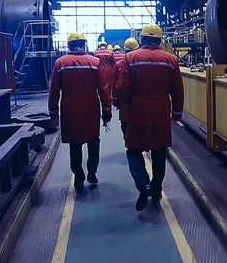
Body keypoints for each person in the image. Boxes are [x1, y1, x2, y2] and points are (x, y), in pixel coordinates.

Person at [116, 24, 184, 211]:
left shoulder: (131, 58)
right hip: (161, 110)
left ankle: (143, 185)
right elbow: (177, 90)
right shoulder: (170, 59)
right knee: (159, 152)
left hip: (139, 110)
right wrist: (177, 113)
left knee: (133, 150)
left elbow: (123, 88)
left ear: (143, 39)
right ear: (160, 40)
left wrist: (127, 109)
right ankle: (156, 188)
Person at [49, 32, 112, 191]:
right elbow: (103, 89)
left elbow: (54, 90)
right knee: (93, 140)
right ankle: (92, 172)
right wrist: (106, 111)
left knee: (74, 144)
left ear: (69, 45)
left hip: (70, 107)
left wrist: (53, 111)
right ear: (84, 45)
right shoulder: (95, 62)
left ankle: (78, 174)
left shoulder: (60, 63)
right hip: (90, 106)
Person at [112, 37, 139, 139]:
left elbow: (115, 84)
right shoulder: (141, 63)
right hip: (140, 101)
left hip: (124, 102)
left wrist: (115, 100)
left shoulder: (119, 65)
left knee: (126, 125)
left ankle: (130, 145)